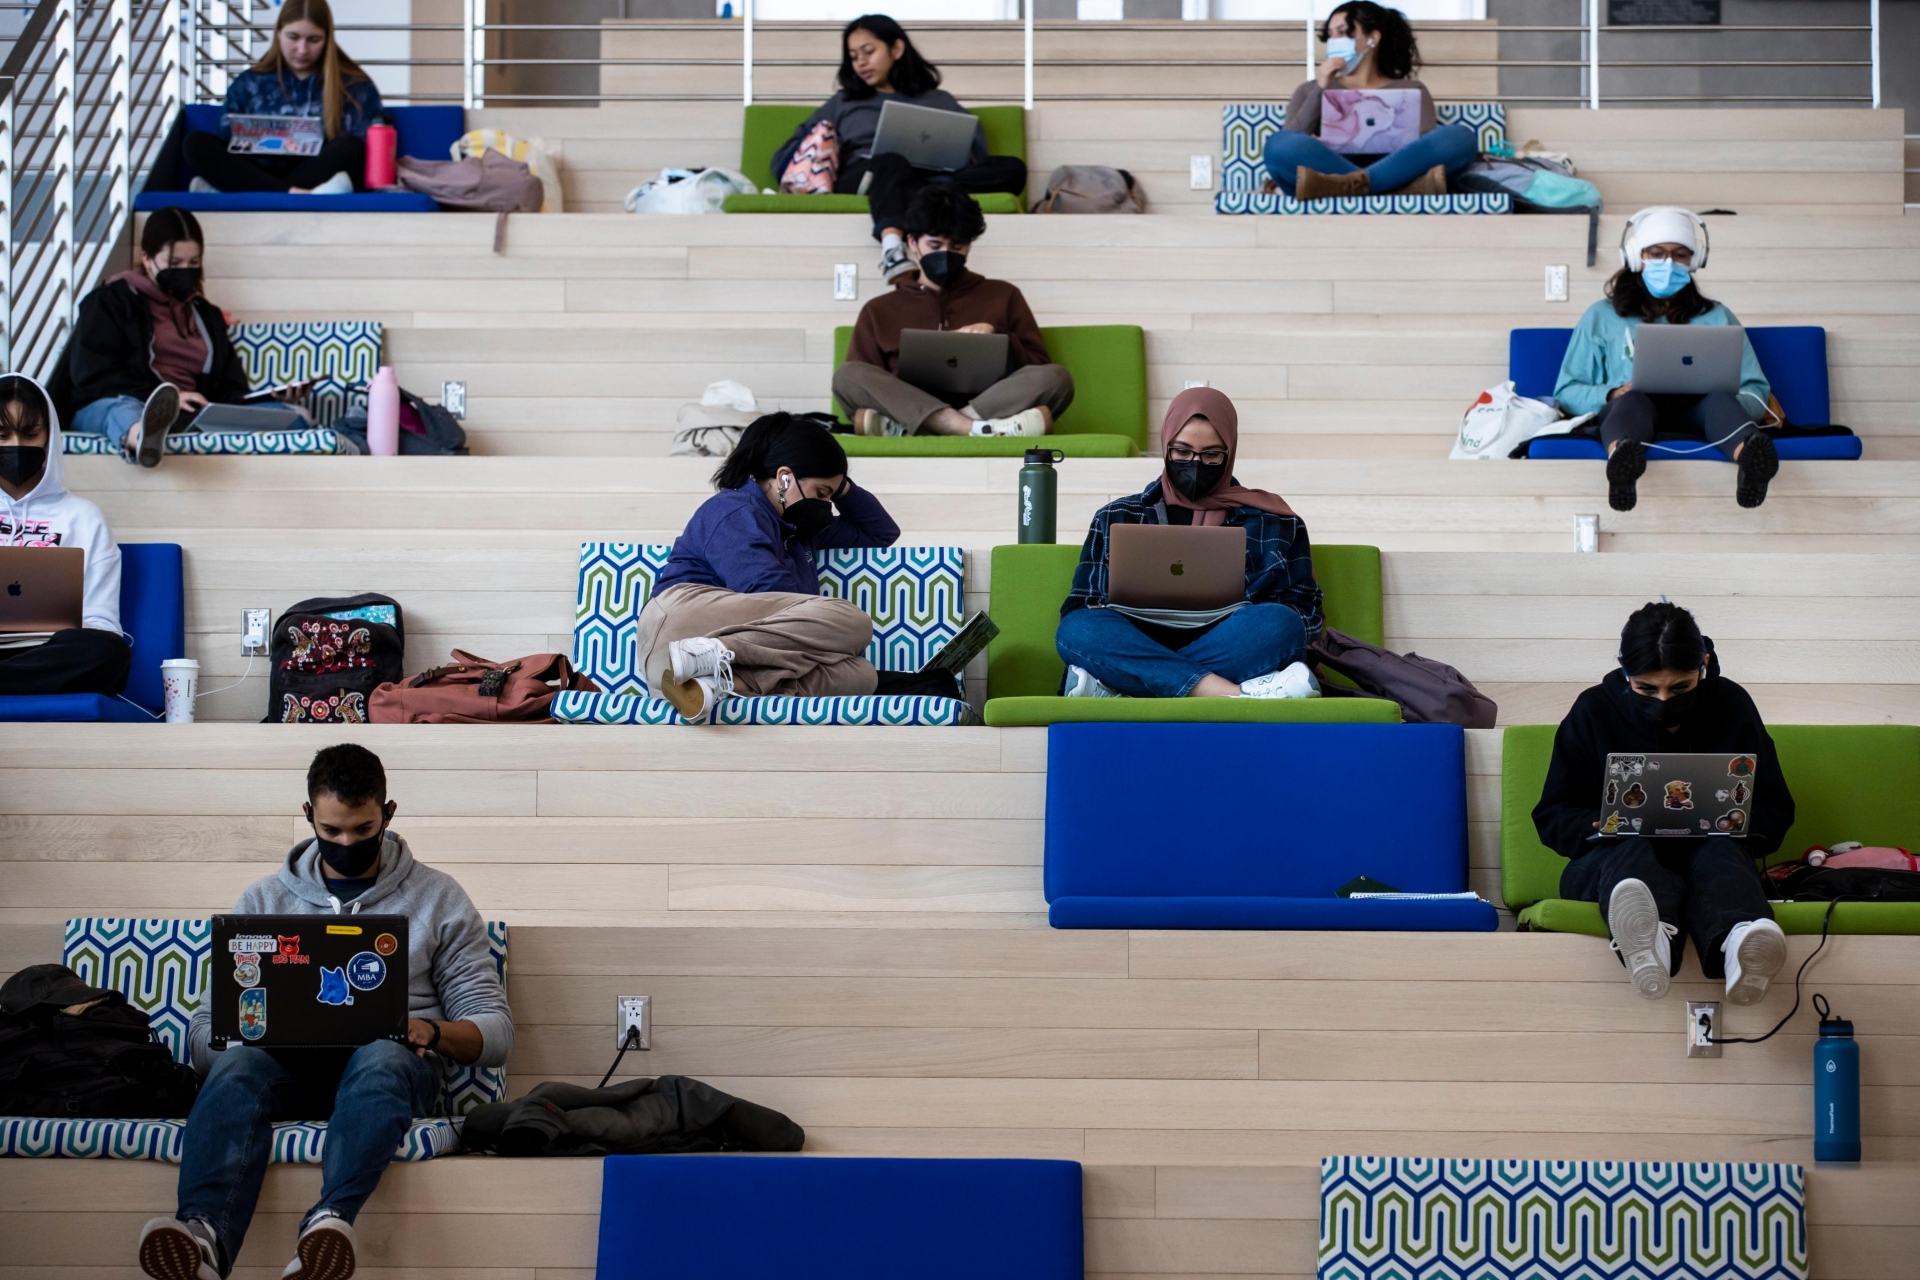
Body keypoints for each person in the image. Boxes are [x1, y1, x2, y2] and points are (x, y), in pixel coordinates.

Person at [137, 744, 511, 1280]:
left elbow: (495, 1034)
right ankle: (203, 1239)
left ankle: (328, 1223)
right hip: (286, 1071)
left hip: (388, 1072)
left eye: (363, 830)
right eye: (332, 831)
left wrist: (426, 1029)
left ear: (389, 813)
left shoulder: (439, 899)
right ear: (309, 814)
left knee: (381, 1056)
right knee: (239, 1067)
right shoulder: (264, 902)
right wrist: (241, 1033)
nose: (347, 843)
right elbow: (201, 1038)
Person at [1534, 602, 1792, 1007]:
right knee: (1634, 852)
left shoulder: (1731, 705)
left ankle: (1741, 944)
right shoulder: (1593, 710)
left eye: (1681, 687)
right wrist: (1609, 823)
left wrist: (1735, 823)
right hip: (1610, 865)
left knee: (1719, 854)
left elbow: (1776, 807)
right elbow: (1552, 815)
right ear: (1624, 671)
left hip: (1710, 863)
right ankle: (1649, 940)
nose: (1664, 699)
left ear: (1703, 665)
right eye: (1647, 689)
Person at [638, 414, 959, 723]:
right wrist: (821, 640)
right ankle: (707, 656)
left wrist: (841, 484)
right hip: (679, 632)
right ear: (784, 477)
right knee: (854, 622)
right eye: (822, 493)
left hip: (706, 666)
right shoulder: (734, 510)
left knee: (859, 675)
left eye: (831, 496)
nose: (826, 505)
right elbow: (770, 595)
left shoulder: (797, 528)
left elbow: (880, 533)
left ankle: (716, 686)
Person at [1054, 388, 1324, 701]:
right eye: (1182, 452)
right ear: (1165, 446)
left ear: (1230, 451)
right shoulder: (1117, 516)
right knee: (1078, 629)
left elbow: (1306, 614)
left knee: (1280, 625)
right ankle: (1230, 693)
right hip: (1135, 640)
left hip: (1228, 644)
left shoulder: (1277, 522)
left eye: (1211, 455)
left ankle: (1121, 687)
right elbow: (1078, 605)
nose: (1195, 464)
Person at [1554, 206, 1779, 513]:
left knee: (1719, 401)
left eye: (1680, 254)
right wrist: (1610, 394)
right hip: (1634, 411)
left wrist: (1726, 395)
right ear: (1636, 257)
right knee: (1631, 399)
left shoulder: (1717, 316)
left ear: (1695, 260)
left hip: (1701, 415)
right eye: (1656, 253)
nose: (1668, 263)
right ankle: (1623, 462)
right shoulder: (1601, 316)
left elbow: (1755, 388)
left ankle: (1751, 460)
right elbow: (1566, 391)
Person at [770, 14, 1027, 282]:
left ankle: (918, 189)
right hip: (867, 174)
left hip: (928, 177)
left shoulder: (939, 99)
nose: (860, 62)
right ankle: (892, 251)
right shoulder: (844, 102)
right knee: (892, 161)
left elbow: (974, 154)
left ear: (897, 49)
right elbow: (790, 155)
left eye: (869, 51)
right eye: (853, 55)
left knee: (1012, 168)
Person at [50, 207, 306, 467]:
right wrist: (163, 397)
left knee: (289, 417)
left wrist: (270, 398)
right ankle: (143, 439)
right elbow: (92, 375)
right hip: (113, 404)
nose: (186, 271)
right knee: (125, 410)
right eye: (174, 264)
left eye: (193, 263)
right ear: (147, 258)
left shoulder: (206, 316)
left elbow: (231, 390)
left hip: (189, 414)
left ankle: (163, 428)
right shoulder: (109, 301)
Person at [834, 183, 1072, 439]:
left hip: (988, 404)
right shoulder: (878, 309)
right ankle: (975, 430)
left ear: (969, 245)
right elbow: (862, 383)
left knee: (1056, 378)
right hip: (913, 405)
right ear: (912, 242)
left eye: (957, 246)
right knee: (848, 375)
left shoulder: (1004, 295)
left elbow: (1038, 367)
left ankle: (927, 429)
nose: (946, 254)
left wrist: (997, 334)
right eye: (935, 246)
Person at [1260, 2, 1476, 202]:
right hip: (1327, 169)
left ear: (1372, 38)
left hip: (1395, 169)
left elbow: (1426, 150)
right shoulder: (1310, 89)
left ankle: (1353, 186)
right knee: (1279, 145)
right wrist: (1322, 88)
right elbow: (1291, 140)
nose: (1334, 41)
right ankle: (1389, 189)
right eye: (1330, 35)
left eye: (1343, 32)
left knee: (1460, 137)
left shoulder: (1411, 90)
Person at [0, 375, 131, 698]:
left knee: (109, 652)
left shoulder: (83, 517)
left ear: (49, 438)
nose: (16, 446)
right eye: (2, 435)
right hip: (37, 671)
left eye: (30, 434)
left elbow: (102, 621)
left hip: (50, 653)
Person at [181, 0, 381, 196]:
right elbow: (225, 140)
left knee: (352, 149)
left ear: (328, 39)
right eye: (293, 37)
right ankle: (298, 194)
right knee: (195, 143)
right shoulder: (250, 82)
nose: (302, 50)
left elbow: (366, 154)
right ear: (278, 33)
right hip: (256, 171)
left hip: (316, 171)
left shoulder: (355, 86)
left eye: (314, 40)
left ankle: (243, 193)